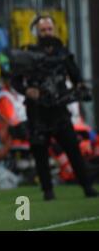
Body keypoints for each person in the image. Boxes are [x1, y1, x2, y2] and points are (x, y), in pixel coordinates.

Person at [11, 15, 98, 200]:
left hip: (59, 109)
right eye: (43, 30)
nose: (47, 33)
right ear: (37, 33)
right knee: (40, 151)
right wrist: (28, 91)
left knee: (73, 148)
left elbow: (76, 75)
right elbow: (15, 81)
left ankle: (87, 186)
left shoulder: (62, 53)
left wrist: (80, 87)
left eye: (49, 29)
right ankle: (47, 190)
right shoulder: (27, 54)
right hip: (37, 111)